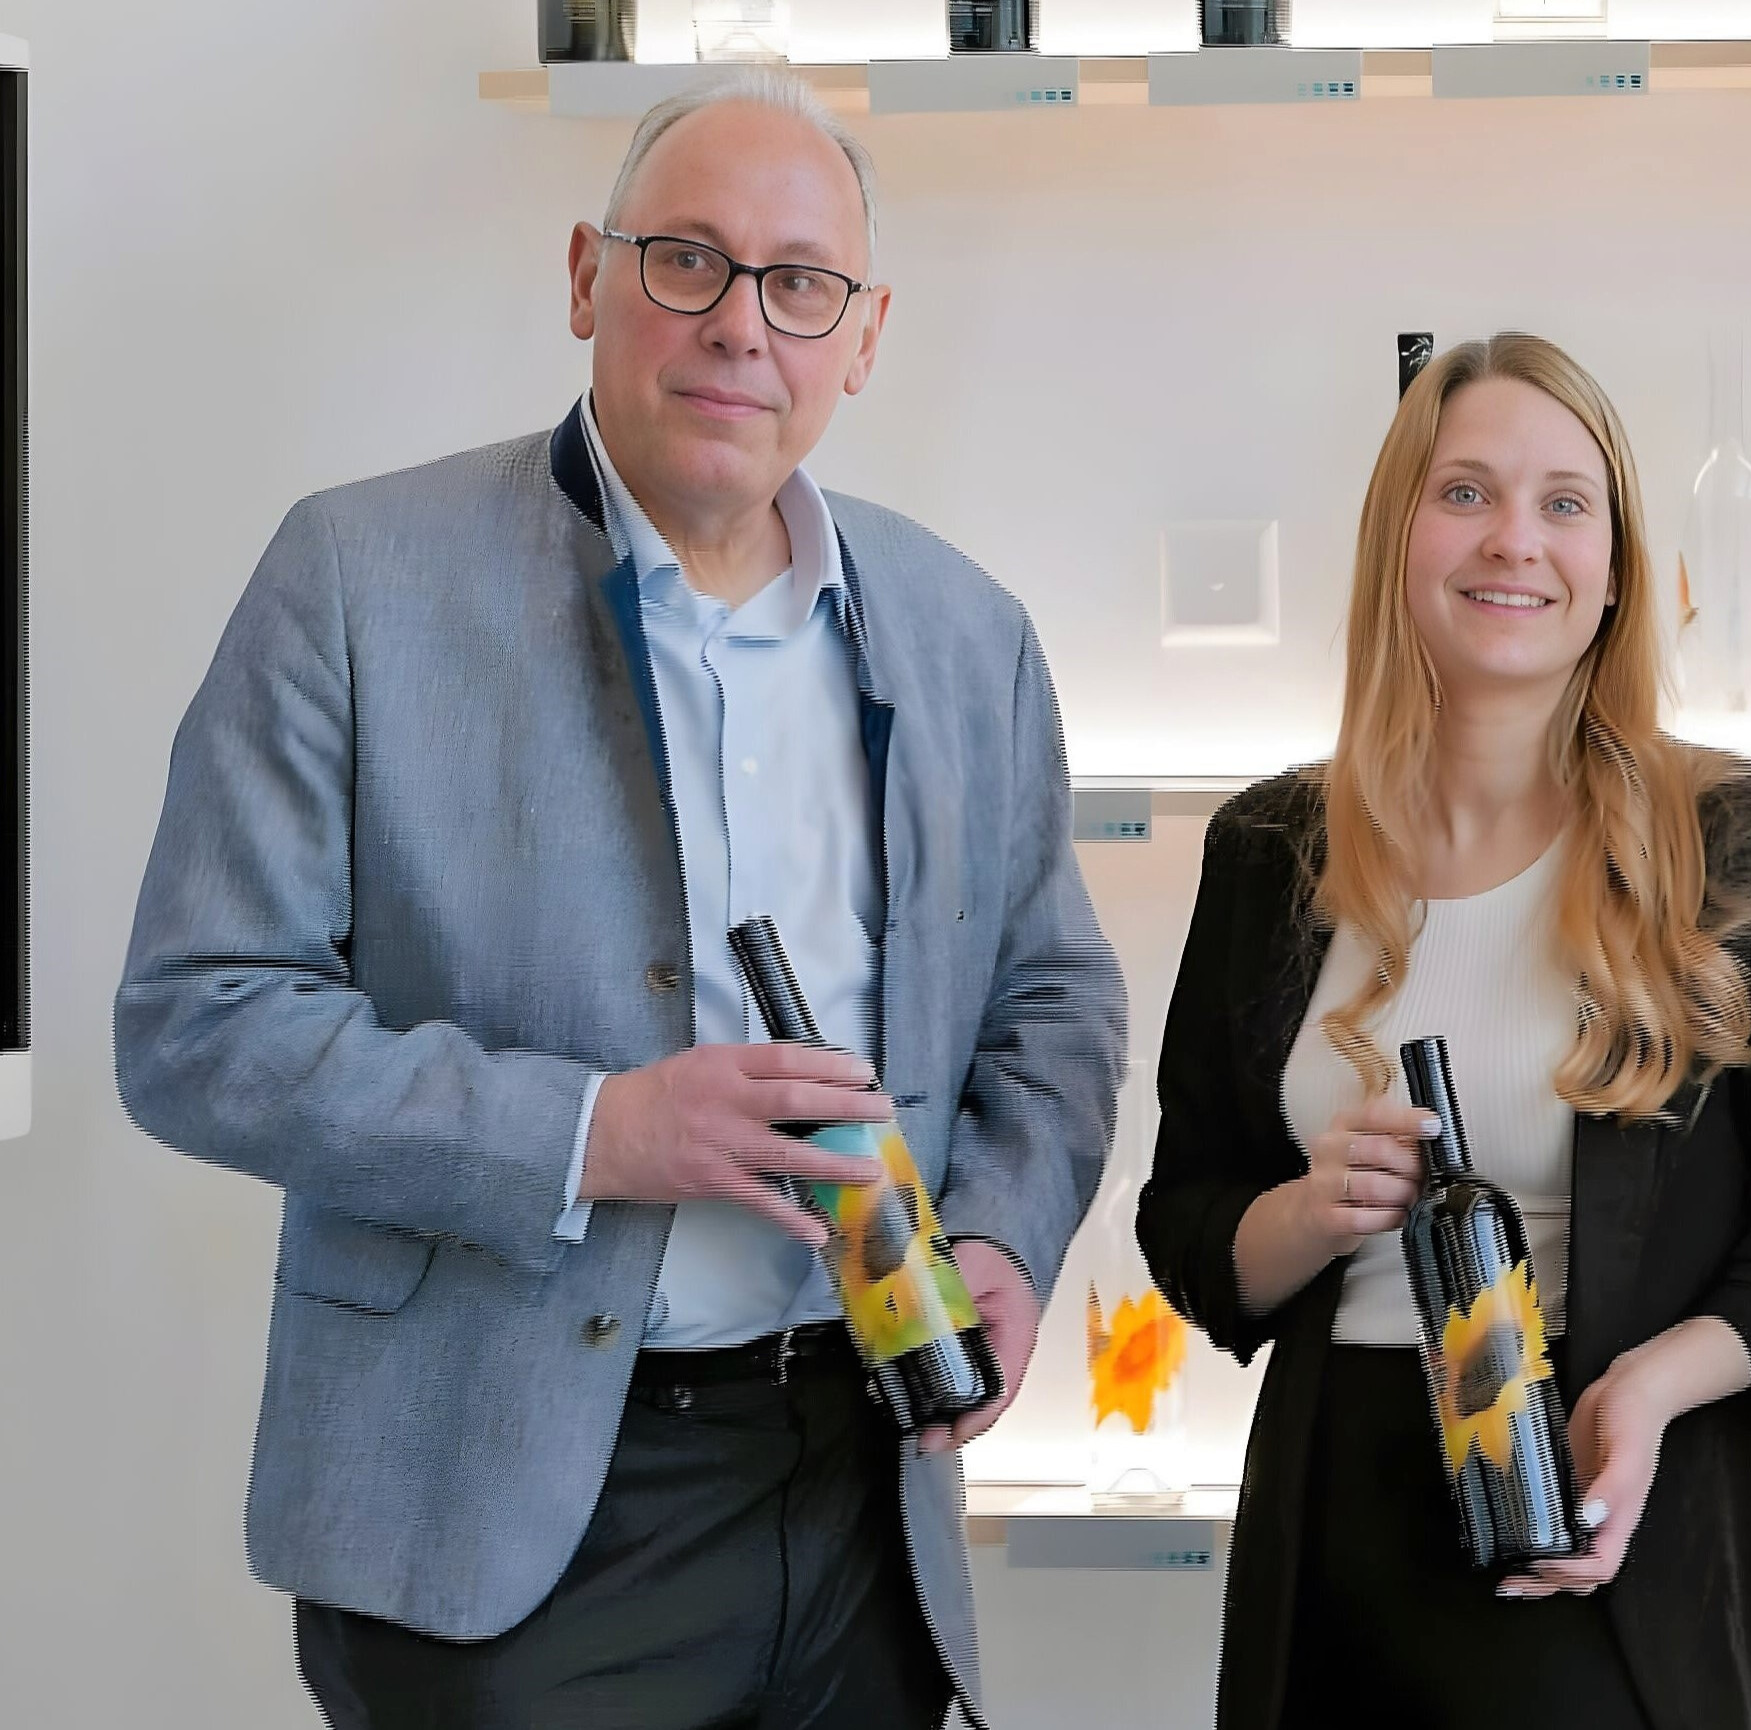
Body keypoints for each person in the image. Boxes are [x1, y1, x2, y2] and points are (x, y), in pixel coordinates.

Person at [113, 69, 1125, 1728]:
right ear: (587, 276)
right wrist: (593, 1133)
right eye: (687, 261)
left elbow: (1052, 998)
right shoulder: (357, 580)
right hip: (502, 1514)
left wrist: (1007, 1232)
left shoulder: (964, 630)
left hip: (861, 1487)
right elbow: (197, 1017)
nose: (742, 325)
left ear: (861, 338)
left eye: (800, 284)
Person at [1137, 332, 1751, 1730]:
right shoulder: (1265, 848)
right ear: (1396, 539)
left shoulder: (1746, 840)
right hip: (1333, 1542)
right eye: (1465, 491)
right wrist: (1308, 1213)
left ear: (1615, 565)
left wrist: (1653, 1389)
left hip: (1619, 1521)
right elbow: (1185, 1220)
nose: (1514, 540)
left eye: (1564, 502)